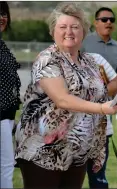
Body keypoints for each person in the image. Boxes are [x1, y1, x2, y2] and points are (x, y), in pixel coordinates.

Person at [14, 2, 117, 188]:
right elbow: (62, 99)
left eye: (75, 27)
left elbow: (101, 92)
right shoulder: (47, 59)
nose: (69, 32)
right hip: (43, 150)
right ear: (52, 31)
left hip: (77, 150)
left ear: (84, 32)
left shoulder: (89, 62)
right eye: (62, 27)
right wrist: (101, 108)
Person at [81, 6, 117, 189]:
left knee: (99, 171)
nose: (108, 23)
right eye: (104, 19)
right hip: (81, 110)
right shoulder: (83, 43)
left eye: (111, 20)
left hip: (105, 112)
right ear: (95, 22)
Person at [0, 2, 21, 188]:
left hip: (6, 117)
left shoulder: (2, 46)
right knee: (5, 167)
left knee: (6, 166)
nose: (2, 17)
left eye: (4, 13)